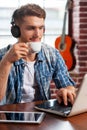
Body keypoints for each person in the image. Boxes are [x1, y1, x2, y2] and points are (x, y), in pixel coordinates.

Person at [0, 3, 76, 106]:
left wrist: (67, 91)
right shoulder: (3, 56)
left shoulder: (52, 54)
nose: (38, 34)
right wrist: (7, 62)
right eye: (31, 28)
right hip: (11, 116)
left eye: (41, 28)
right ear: (16, 31)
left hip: (43, 115)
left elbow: (68, 85)